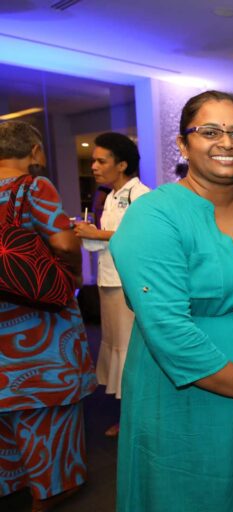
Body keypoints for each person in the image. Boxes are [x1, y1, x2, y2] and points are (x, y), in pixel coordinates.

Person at [109, 90, 233, 511]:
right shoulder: (154, 215)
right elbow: (168, 329)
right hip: (185, 397)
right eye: (210, 131)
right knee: (189, 494)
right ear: (183, 145)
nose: (226, 142)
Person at [0, 120, 97, 510]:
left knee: (6, 400)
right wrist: (72, 272)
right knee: (48, 400)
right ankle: (54, 486)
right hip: (38, 316)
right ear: (35, 151)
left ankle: (12, 481)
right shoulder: (32, 187)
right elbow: (62, 242)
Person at [73, 132, 150, 437]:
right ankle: (129, 416)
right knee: (117, 349)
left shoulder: (141, 195)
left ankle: (139, 420)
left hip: (129, 285)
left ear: (122, 164)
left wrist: (98, 234)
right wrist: (88, 233)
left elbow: (141, 238)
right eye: (93, 160)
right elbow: (104, 244)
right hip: (108, 282)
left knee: (131, 352)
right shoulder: (110, 196)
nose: (93, 166)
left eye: (100, 161)